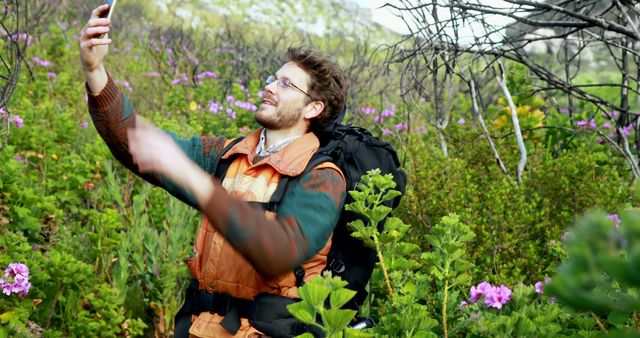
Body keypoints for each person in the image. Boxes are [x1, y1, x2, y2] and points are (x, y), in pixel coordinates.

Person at [80, 4, 348, 337]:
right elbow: (136, 144)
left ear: (313, 107)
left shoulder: (322, 176)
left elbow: (278, 251)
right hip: (198, 327)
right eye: (272, 79)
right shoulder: (225, 153)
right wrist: (95, 71)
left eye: (285, 85)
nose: (269, 87)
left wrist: (198, 183)